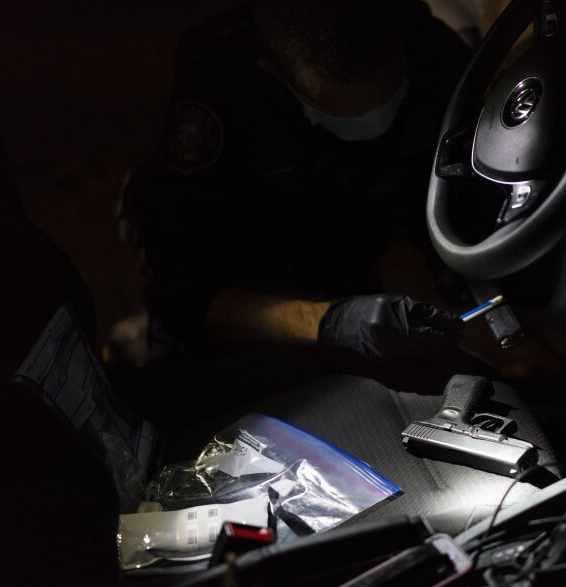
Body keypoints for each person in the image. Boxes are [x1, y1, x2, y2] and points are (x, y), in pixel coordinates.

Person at [122, 0, 474, 366]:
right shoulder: (220, 86)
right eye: (340, 115)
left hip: (366, 235)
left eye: (388, 98)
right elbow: (184, 294)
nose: (371, 127)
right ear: (273, 70)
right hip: (259, 266)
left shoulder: (429, 46)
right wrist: (329, 323)